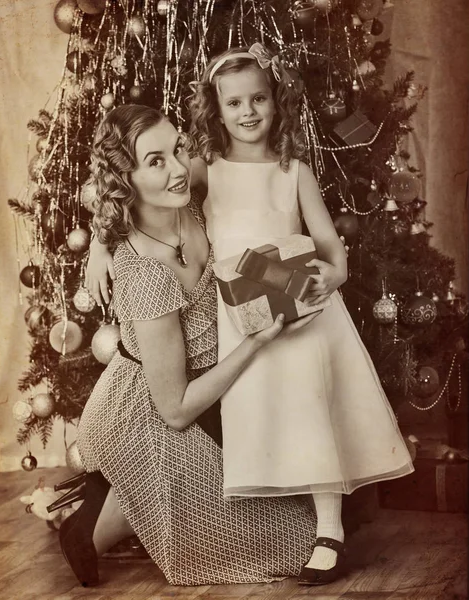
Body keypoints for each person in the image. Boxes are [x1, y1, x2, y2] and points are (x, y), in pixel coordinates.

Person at [87, 45, 414, 586]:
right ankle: (259, 500)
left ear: (276, 102)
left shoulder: (294, 172)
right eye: (234, 102)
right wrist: (101, 246)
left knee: (309, 399)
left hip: (297, 309)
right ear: (216, 109)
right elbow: (124, 192)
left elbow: (335, 255)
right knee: (254, 409)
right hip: (237, 320)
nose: (248, 112)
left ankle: (328, 527)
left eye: (258, 98)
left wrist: (320, 283)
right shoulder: (203, 169)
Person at [62, 103, 319, 589]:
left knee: (323, 521)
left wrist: (97, 242)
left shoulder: (192, 195)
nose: (179, 168)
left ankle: (118, 496)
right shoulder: (142, 274)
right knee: (297, 543)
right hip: (149, 413)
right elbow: (175, 409)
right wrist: (258, 342)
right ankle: (89, 524)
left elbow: (225, 166)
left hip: (210, 390)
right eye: (155, 161)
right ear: (125, 179)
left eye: (177, 148)